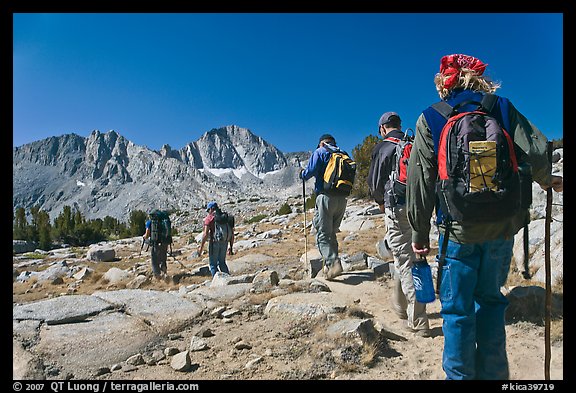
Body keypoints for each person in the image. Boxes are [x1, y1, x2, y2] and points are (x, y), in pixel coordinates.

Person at [406, 53, 563, 380]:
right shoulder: (501, 108)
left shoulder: (431, 118)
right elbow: (536, 150)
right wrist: (549, 180)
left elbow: (421, 182)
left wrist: (419, 235)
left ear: (444, 84)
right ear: (479, 80)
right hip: (502, 230)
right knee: (491, 303)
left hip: (456, 232)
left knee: (457, 314)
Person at [367, 112, 431, 337]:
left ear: (383, 128)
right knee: (413, 256)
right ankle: (400, 305)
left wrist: (381, 203)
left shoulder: (382, 147)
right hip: (419, 208)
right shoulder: (413, 143)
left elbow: (375, 184)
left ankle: (419, 321)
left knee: (405, 261)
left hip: (396, 208)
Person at [299, 134, 348, 280]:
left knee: (322, 234)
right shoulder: (343, 154)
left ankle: (333, 264)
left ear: (321, 143)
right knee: (331, 233)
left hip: (326, 197)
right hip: (342, 199)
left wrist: (302, 174)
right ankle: (331, 265)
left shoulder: (320, 152)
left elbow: (310, 171)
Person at [198, 201, 233, 277]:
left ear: (211, 209)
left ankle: (217, 281)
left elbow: (205, 234)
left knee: (213, 265)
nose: (208, 212)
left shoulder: (209, 218)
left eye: (208, 210)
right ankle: (228, 279)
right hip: (225, 242)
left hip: (214, 243)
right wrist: (231, 247)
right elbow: (232, 233)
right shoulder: (225, 217)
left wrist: (201, 247)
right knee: (222, 263)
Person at [143, 212, 168, 279]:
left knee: (154, 260)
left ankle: (157, 276)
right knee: (163, 258)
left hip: (156, 243)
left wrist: (144, 236)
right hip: (165, 242)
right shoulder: (163, 221)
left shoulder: (149, 222)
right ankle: (164, 273)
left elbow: (147, 234)